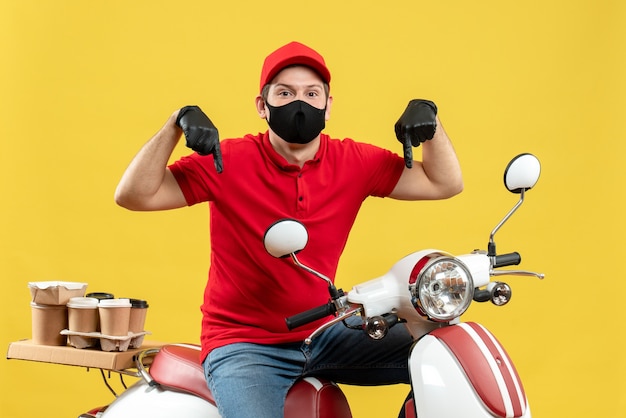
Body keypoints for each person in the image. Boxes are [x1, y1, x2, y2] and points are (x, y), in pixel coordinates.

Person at [115, 41, 463, 417]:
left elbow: (444, 183)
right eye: (285, 93)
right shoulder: (226, 161)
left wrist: (431, 122)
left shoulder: (355, 162)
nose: (300, 103)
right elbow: (134, 196)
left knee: (448, 357)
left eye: (312, 94)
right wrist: (174, 125)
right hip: (245, 344)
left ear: (328, 106)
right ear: (262, 106)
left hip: (326, 332)